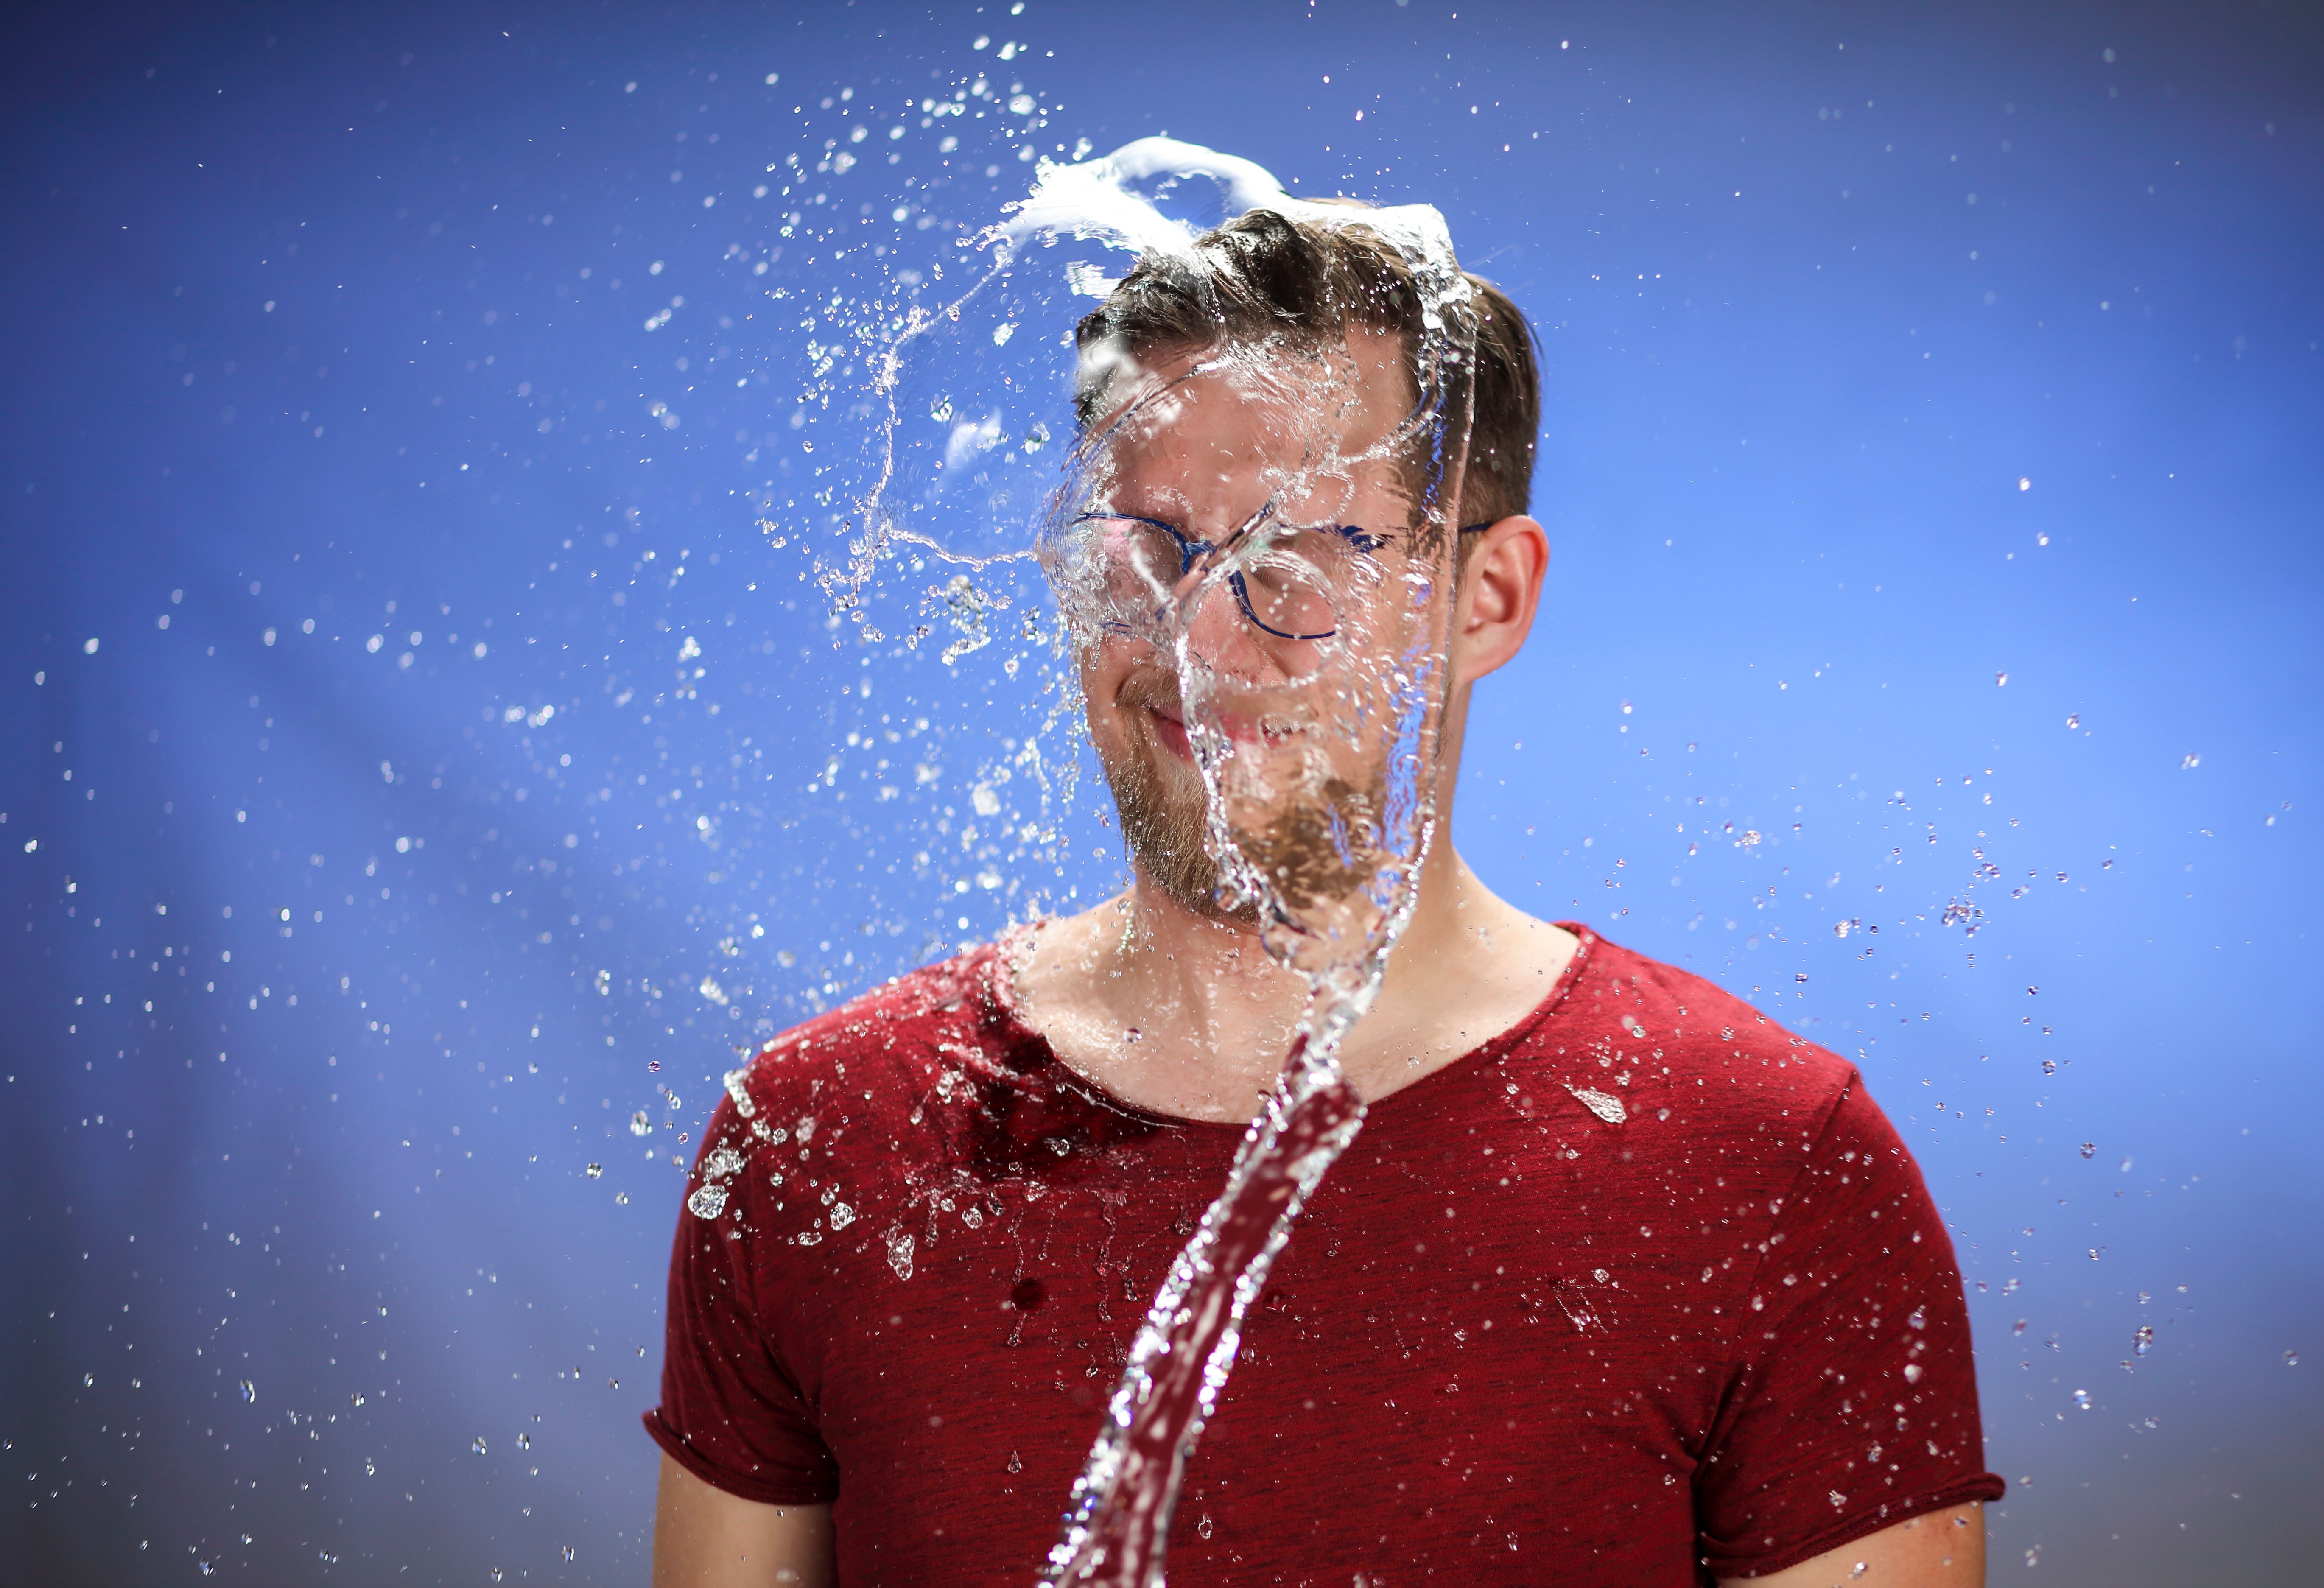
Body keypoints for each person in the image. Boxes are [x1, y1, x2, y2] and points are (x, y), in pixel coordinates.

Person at [647, 206, 2002, 1587]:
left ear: (1489, 596)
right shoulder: (817, 1143)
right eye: (1144, 549)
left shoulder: (1769, 1168)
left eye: (1294, 560)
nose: (1196, 636)